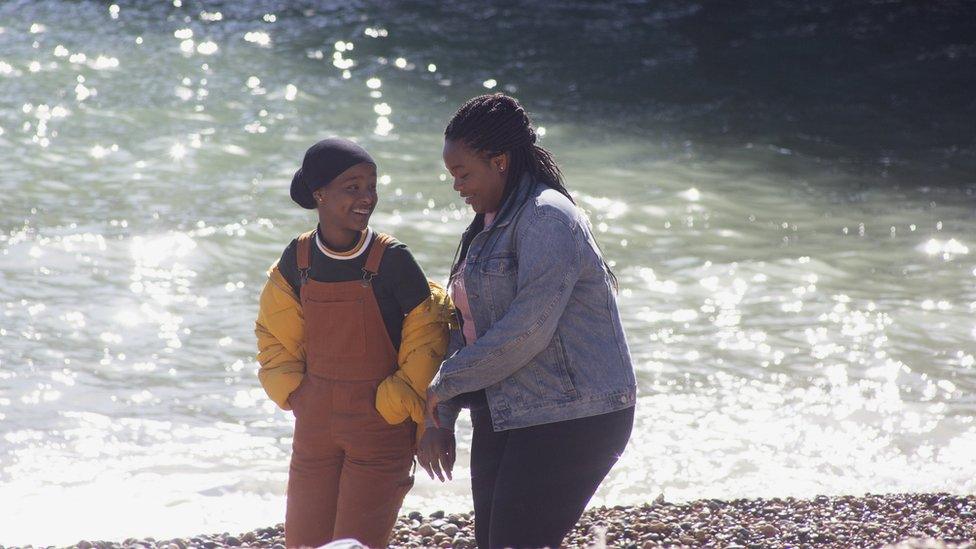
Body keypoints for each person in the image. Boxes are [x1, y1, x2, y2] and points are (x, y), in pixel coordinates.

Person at [418, 94, 638, 549]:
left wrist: (443, 385)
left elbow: (527, 332)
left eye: (463, 174)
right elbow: (468, 327)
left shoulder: (547, 218)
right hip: (507, 410)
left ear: (499, 161)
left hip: (577, 413)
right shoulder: (486, 228)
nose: (457, 187)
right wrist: (441, 416)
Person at [255, 138, 453, 549]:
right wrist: (294, 391)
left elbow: (430, 336)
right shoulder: (298, 258)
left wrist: (395, 401)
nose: (367, 198)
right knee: (303, 543)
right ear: (319, 195)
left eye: (371, 186)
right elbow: (273, 334)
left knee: (355, 544)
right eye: (353, 187)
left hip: (380, 427)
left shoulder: (393, 260)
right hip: (315, 427)